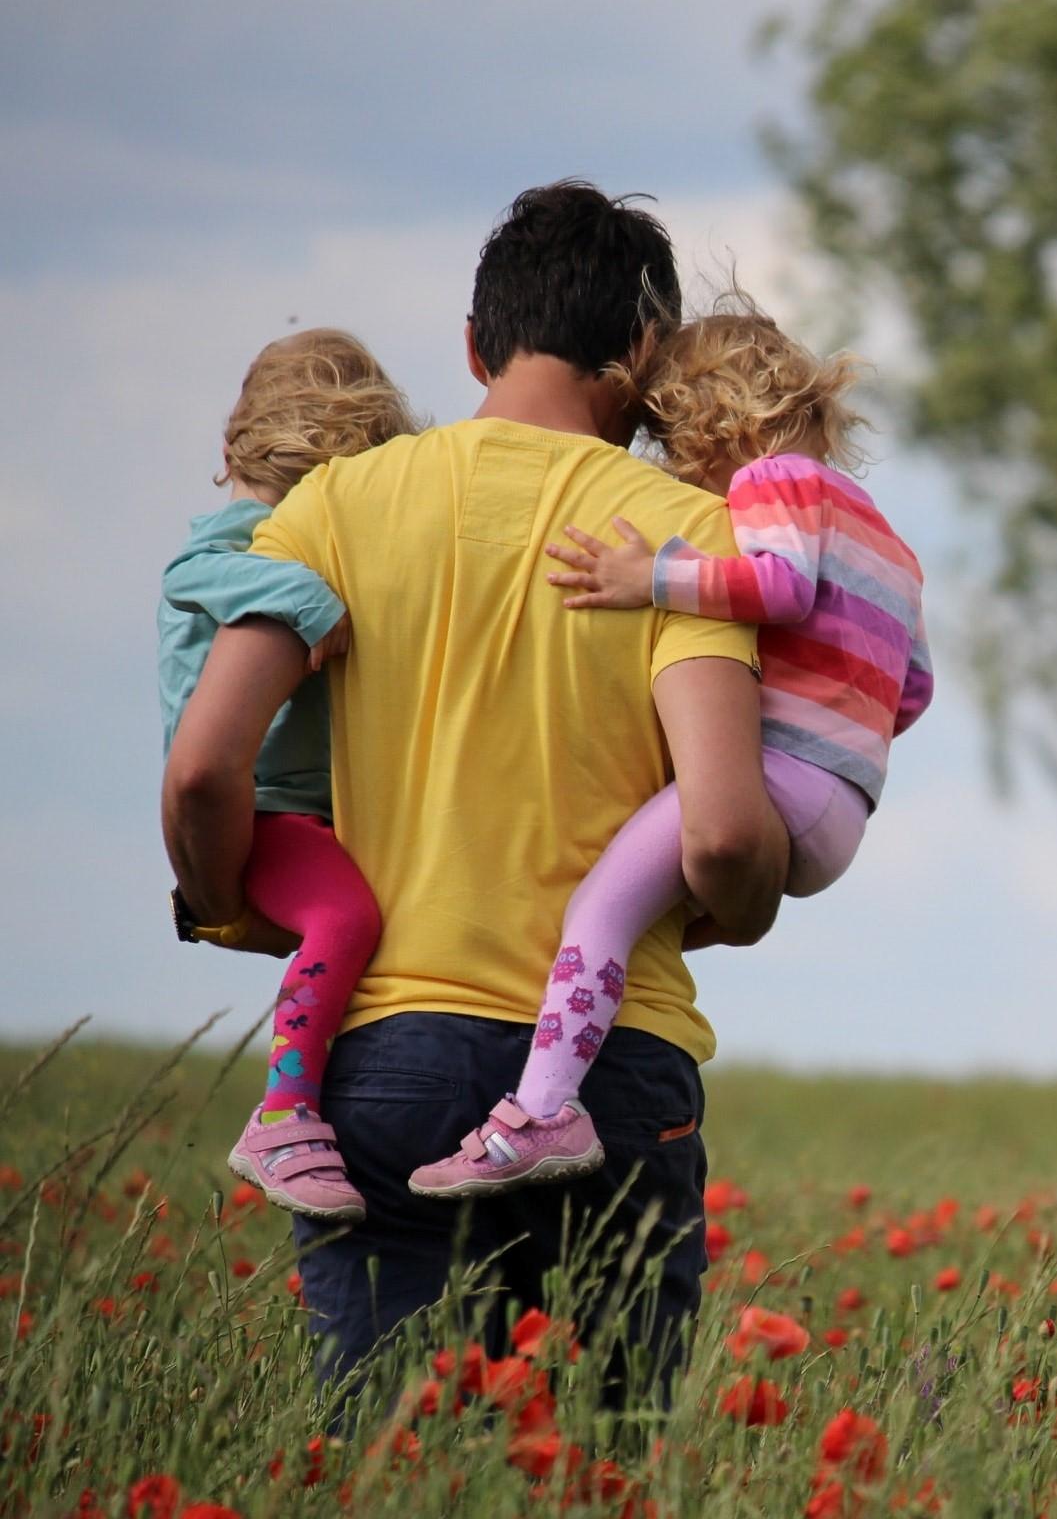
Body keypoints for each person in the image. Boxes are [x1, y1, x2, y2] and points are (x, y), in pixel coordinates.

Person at [161, 181, 788, 1384]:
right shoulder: (682, 537)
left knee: (392, 1464)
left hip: (386, 1055)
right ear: (645, 352)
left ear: (472, 343)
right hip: (612, 1069)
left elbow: (201, 769)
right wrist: (744, 906)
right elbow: (718, 834)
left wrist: (232, 903)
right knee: (605, 1463)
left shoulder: (332, 508)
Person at [409, 305, 933, 1198]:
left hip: (779, 779)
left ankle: (541, 1112)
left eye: (672, 441)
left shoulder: (774, 482)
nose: (677, 469)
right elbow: (911, 689)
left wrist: (646, 577)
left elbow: (777, 585)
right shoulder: (887, 538)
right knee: (645, 913)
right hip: (844, 805)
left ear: (711, 422)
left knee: (598, 911)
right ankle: (570, 1065)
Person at [158, 329, 419, 1222]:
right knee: (347, 916)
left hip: (308, 811)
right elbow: (193, 571)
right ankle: (285, 1113)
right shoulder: (242, 539)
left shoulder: (280, 529)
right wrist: (309, 599)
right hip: (265, 811)